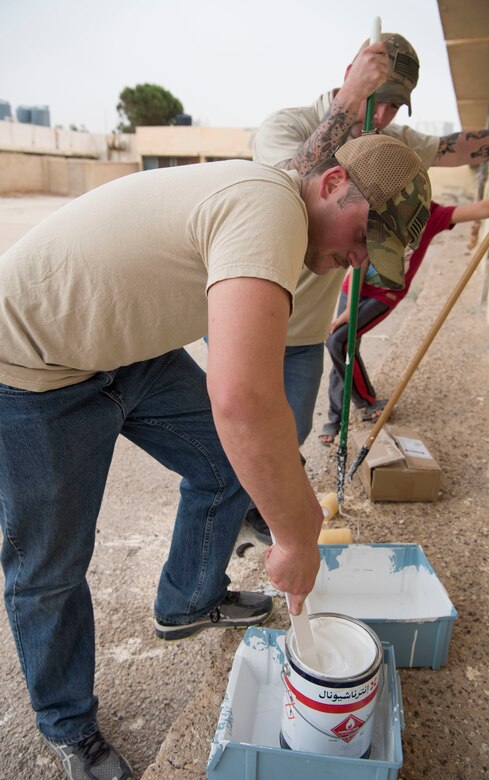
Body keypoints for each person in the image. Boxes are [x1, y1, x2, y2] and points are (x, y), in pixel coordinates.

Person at [0, 134, 430, 779]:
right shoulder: (270, 208)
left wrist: (284, 501)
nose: (358, 261)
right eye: (366, 237)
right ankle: (68, 725)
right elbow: (244, 399)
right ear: (335, 181)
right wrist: (297, 536)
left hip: (125, 355)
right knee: (50, 565)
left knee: (235, 463)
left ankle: (188, 601)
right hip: (33, 366)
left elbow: (248, 423)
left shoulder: (274, 214)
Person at [245, 31, 489, 543]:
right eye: (382, 98)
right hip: (251, 312)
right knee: (237, 435)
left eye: (398, 104)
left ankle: (261, 511)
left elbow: (449, 149)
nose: (387, 115)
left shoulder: (387, 142)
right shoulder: (288, 125)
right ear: (352, 72)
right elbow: (285, 181)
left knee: (290, 434)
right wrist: (351, 101)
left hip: (305, 327)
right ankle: (217, 546)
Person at [320, 193, 489, 442]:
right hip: (355, 288)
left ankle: (365, 402)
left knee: (339, 342)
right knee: (345, 346)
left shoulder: (431, 215)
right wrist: (349, 310)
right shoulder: (380, 209)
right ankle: (335, 417)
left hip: (386, 293)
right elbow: (360, 258)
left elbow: (482, 207)